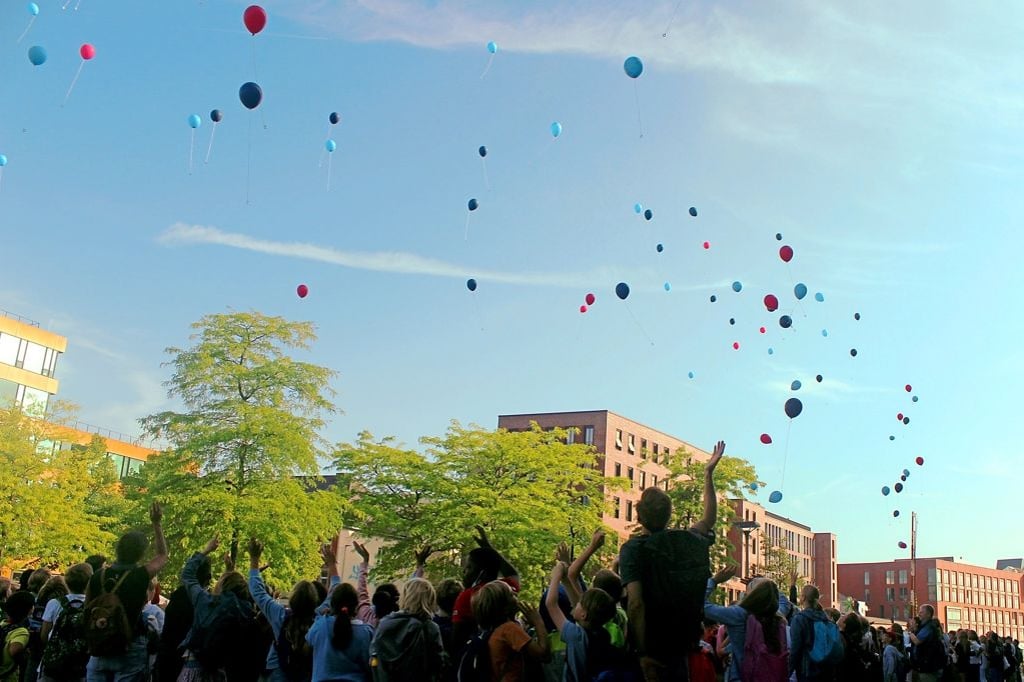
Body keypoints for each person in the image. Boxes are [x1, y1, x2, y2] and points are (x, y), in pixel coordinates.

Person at [619, 440, 725, 682]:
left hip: (652, 650)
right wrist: (708, 474)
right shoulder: (687, 541)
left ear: (638, 515)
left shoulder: (633, 549)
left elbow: (635, 603)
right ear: (669, 515)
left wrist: (641, 651)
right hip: (683, 645)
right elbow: (709, 518)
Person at [86, 502, 168, 682]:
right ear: (140, 554)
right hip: (129, 646)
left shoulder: (98, 576)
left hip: (99, 647)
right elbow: (162, 556)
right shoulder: (139, 576)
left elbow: (87, 608)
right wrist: (157, 524)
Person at [177, 536, 261, 682]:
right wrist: (232, 569)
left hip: (194, 668)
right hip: (220, 672)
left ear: (222, 585)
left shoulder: (205, 601)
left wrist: (206, 550)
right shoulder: (247, 613)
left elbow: (188, 575)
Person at [247, 538, 330, 682]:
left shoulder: (280, 614)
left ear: (293, 597)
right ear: (315, 600)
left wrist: (254, 559)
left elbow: (257, 591)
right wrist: (332, 565)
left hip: (278, 669)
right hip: (307, 673)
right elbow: (334, 591)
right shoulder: (319, 618)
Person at [703, 569, 788, 682]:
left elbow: (701, 604)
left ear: (752, 594)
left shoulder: (739, 615)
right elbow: (784, 601)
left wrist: (714, 581)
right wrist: (769, 584)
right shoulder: (777, 617)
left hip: (741, 676)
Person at [543, 562, 619, 682]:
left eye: (579, 604)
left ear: (583, 615)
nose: (574, 603)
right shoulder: (602, 634)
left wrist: (556, 576)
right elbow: (579, 604)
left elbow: (551, 604)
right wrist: (565, 579)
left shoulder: (575, 635)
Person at [471, 580, 549, 681]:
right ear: (505, 608)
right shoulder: (509, 629)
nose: (516, 594)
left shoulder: (495, 630)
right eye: (511, 595)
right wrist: (538, 621)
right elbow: (543, 653)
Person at [369, 577, 445, 680]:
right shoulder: (431, 628)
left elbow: (374, 657)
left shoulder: (385, 624)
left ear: (406, 597)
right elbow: (438, 664)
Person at [153, 555, 211, 682]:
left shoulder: (177, 597)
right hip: (188, 663)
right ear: (207, 578)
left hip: (167, 658)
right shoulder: (205, 603)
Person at [304, 583, 372, 682]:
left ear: (332, 604)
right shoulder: (367, 632)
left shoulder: (320, 625)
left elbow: (307, 649)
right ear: (356, 606)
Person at [40, 563, 93, 682]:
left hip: (55, 663)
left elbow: (44, 634)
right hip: (81, 664)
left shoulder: (55, 603)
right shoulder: (92, 605)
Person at [789, 584, 840, 682]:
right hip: (826, 671)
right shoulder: (827, 620)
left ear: (803, 597)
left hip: (807, 672)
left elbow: (795, 650)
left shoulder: (800, 619)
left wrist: (788, 672)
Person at [2, 592, 36, 682]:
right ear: (29, 610)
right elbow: (14, 650)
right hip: (7, 676)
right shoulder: (21, 631)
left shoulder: (3, 623)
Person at [909, 605, 946, 682]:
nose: (919, 614)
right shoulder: (926, 626)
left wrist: (911, 633)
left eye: (921, 612)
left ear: (928, 614)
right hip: (927, 666)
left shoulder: (928, 627)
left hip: (928, 667)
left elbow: (917, 641)